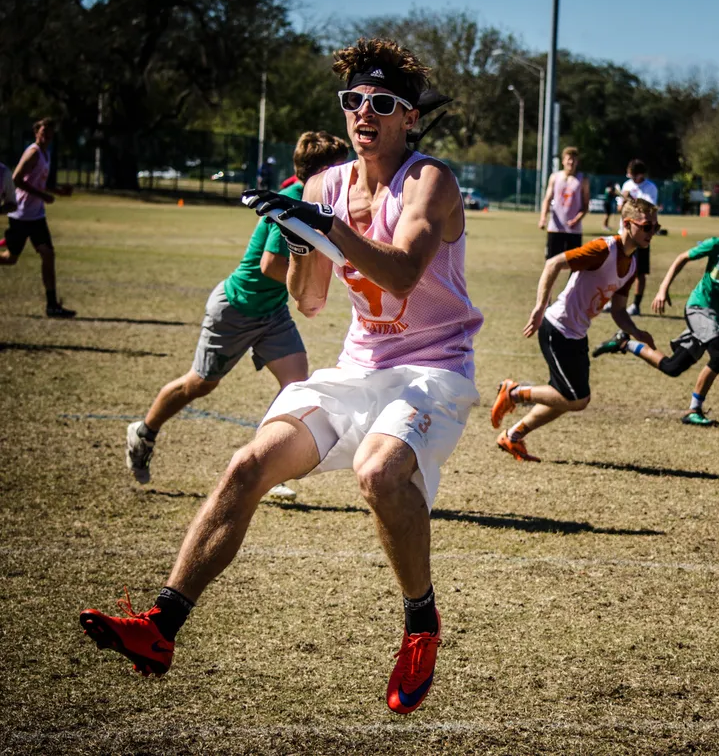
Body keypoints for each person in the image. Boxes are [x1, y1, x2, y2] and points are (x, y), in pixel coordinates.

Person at [80, 38, 483, 716]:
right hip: (359, 367)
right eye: (353, 100)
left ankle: (421, 625)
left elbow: (402, 271)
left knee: (381, 474)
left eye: (381, 102)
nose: (364, 111)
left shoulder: (429, 180)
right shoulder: (326, 185)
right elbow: (312, 298)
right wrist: (300, 237)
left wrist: (324, 224)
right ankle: (161, 625)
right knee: (248, 463)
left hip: (432, 368)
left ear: (408, 118)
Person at [124, 131, 350, 498]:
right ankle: (144, 431)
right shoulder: (292, 200)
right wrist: (317, 276)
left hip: (271, 312)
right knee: (199, 384)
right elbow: (271, 266)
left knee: (295, 386)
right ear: (323, 171)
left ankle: (266, 465)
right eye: (341, 168)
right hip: (237, 308)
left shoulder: (312, 198)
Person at [490, 197, 659, 461]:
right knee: (576, 399)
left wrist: (637, 332)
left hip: (577, 333)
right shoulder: (604, 249)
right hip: (557, 328)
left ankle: (513, 436)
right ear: (628, 224)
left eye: (655, 228)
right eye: (647, 227)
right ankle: (513, 393)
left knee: (566, 398)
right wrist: (539, 306)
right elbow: (553, 263)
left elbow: (618, 311)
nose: (652, 233)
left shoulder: (632, 265)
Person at [593, 203, 719, 425]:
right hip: (699, 307)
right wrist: (662, 289)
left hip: (714, 318)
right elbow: (682, 258)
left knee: (672, 367)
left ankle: (624, 343)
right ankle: (693, 411)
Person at [0, 117, 76, 317]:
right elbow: (15, 179)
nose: (46, 135)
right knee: (10, 258)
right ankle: (52, 305)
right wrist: (42, 196)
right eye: (43, 132)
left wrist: (59, 192)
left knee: (48, 255)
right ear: (36, 132)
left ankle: (52, 305)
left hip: (36, 217)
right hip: (22, 215)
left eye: (50, 133)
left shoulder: (46, 154)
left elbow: (40, 183)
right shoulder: (33, 152)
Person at [619, 159, 658, 316]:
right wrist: (622, 200)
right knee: (619, 268)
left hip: (641, 234)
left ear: (641, 174)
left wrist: (631, 200)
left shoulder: (650, 188)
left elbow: (648, 209)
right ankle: (614, 301)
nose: (632, 180)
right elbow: (621, 208)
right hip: (624, 233)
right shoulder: (626, 186)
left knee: (639, 272)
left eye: (634, 176)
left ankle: (636, 304)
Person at [538, 146, 589, 258]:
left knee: (575, 264)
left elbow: (585, 205)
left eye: (573, 159)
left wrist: (576, 220)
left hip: (574, 230)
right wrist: (543, 218)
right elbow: (547, 199)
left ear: (577, 162)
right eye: (568, 159)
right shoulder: (555, 177)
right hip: (555, 228)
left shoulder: (583, 180)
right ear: (563, 161)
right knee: (551, 261)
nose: (571, 162)